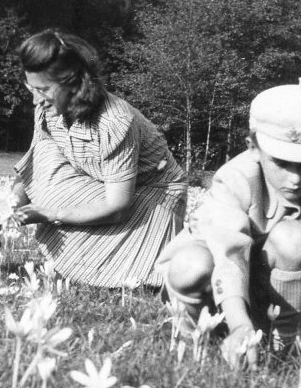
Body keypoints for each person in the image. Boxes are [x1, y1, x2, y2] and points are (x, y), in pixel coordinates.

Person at [157, 82, 301, 357]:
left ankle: (282, 348)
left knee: (293, 238)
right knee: (191, 264)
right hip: (217, 284)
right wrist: (239, 326)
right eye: (281, 162)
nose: (295, 178)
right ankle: (190, 338)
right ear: (252, 147)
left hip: (273, 296)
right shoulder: (235, 178)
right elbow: (229, 258)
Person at [12, 29, 187, 288]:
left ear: (72, 81)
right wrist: (11, 202)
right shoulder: (48, 111)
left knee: (133, 273)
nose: (36, 99)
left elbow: (117, 207)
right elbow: (35, 166)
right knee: (46, 159)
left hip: (151, 193)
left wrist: (51, 214)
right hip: (96, 183)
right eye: (31, 88)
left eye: (43, 89)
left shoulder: (114, 122)